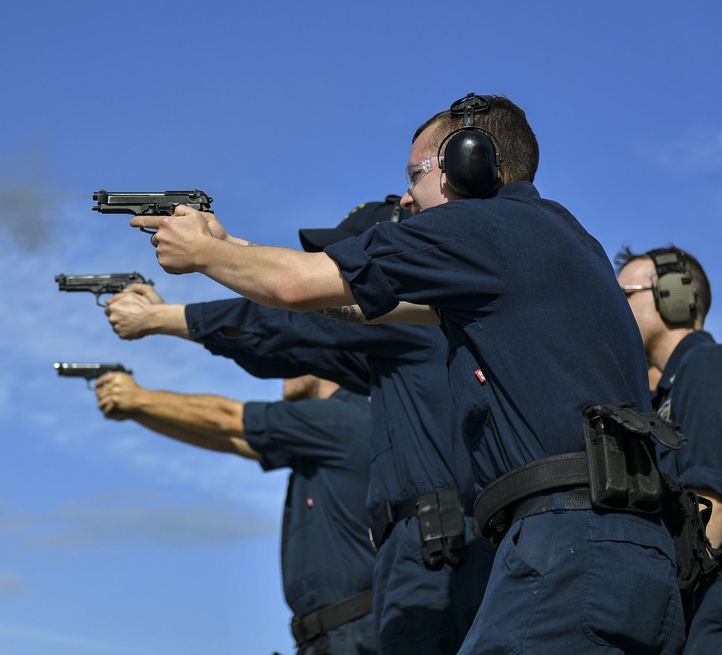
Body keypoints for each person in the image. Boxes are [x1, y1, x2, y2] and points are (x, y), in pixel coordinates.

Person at [130, 93, 687, 653]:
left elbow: (295, 285)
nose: (404, 196)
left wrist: (202, 257)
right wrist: (232, 247)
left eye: (415, 174)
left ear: (468, 164)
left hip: (566, 549)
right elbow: (352, 301)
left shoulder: (480, 228)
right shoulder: (559, 239)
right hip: (636, 556)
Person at [106, 197, 494, 655]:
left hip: (436, 555)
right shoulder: (397, 349)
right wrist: (226, 249)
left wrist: (163, 318)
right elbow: (289, 342)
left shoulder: (412, 318)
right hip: (427, 554)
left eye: (345, 258)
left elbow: (291, 322)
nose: (331, 272)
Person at [93, 371, 377, 655]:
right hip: (336, 633)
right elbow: (228, 439)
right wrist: (139, 412)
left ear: (321, 363)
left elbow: (227, 417)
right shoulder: (324, 431)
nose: (280, 370)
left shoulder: (337, 418)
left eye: (293, 361)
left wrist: (139, 398)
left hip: (350, 631)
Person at [616, 246, 722, 653]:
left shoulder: (706, 365)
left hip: (706, 604)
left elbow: (711, 500)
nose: (615, 307)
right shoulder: (666, 392)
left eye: (625, 295)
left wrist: (660, 607)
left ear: (674, 297)